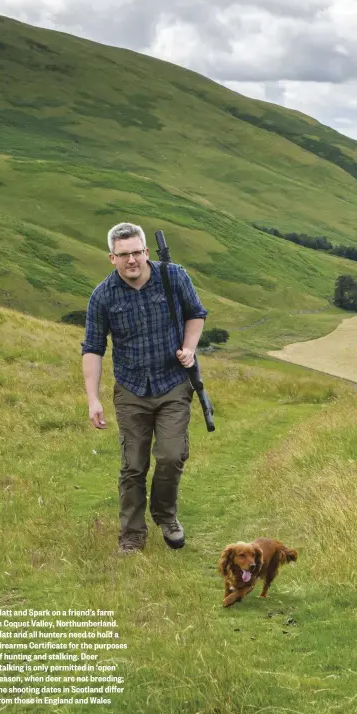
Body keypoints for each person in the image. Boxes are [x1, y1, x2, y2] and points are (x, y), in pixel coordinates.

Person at [81, 222, 208, 554]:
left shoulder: (173, 276)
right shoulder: (103, 296)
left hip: (173, 383)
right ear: (112, 258)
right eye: (124, 255)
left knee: (171, 455)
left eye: (137, 252)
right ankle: (132, 535)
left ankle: (165, 515)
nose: (132, 260)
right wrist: (93, 399)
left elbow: (196, 314)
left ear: (146, 252)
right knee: (133, 466)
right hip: (131, 389)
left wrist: (189, 347)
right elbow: (93, 348)